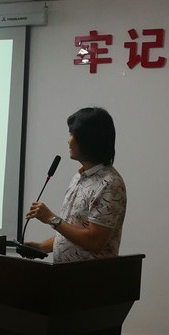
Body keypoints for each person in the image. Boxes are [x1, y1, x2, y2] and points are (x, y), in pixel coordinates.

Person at [25, 107, 126, 263]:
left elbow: (94, 241)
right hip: (64, 274)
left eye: (72, 134)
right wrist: (41, 247)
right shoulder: (80, 176)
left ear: (89, 140)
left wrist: (51, 218)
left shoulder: (109, 184)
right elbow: (74, 231)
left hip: (89, 277)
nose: (68, 140)